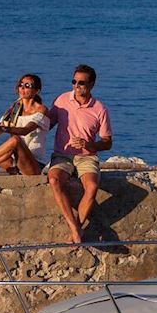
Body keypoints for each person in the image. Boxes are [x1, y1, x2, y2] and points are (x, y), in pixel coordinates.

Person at [46, 65, 113, 243]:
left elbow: (107, 142)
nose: (76, 86)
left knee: (92, 186)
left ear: (91, 84)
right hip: (62, 155)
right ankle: (75, 230)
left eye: (81, 83)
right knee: (54, 180)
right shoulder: (62, 100)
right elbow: (46, 124)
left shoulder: (100, 109)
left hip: (87, 156)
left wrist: (88, 144)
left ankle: (77, 228)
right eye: (74, 81)